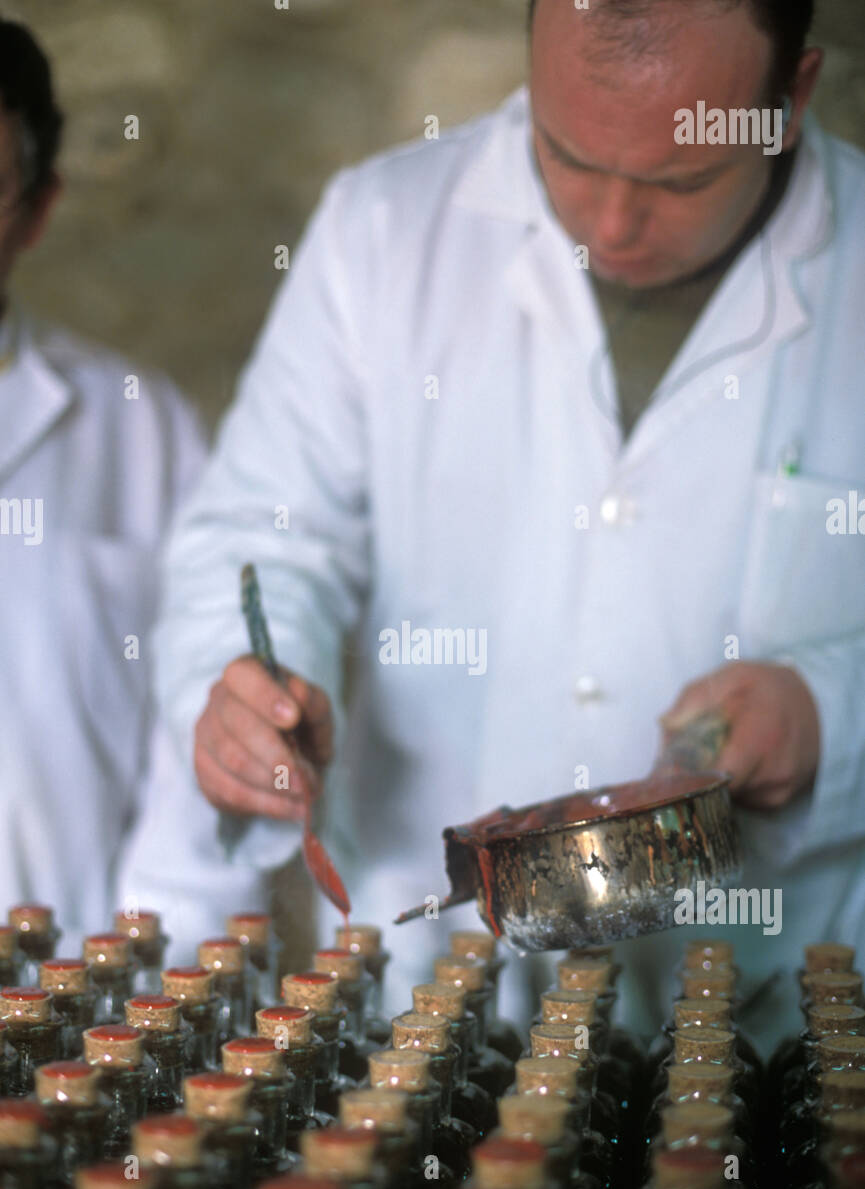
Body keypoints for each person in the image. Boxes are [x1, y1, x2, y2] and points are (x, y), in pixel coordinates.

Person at [149, 0, 865, 1044]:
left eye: (680, 178)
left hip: (781, 1031)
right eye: (566, 155)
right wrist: (244, 686)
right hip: (434, 1018)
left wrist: (829, 719)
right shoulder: (384, 231)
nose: (610, 226)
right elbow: (261, 539)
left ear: (788, 100)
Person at [0, 18, 265, 948]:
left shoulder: (138, 426)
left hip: (82, 1025)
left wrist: (149, 1004)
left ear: (34, 210)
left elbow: (205, 731)